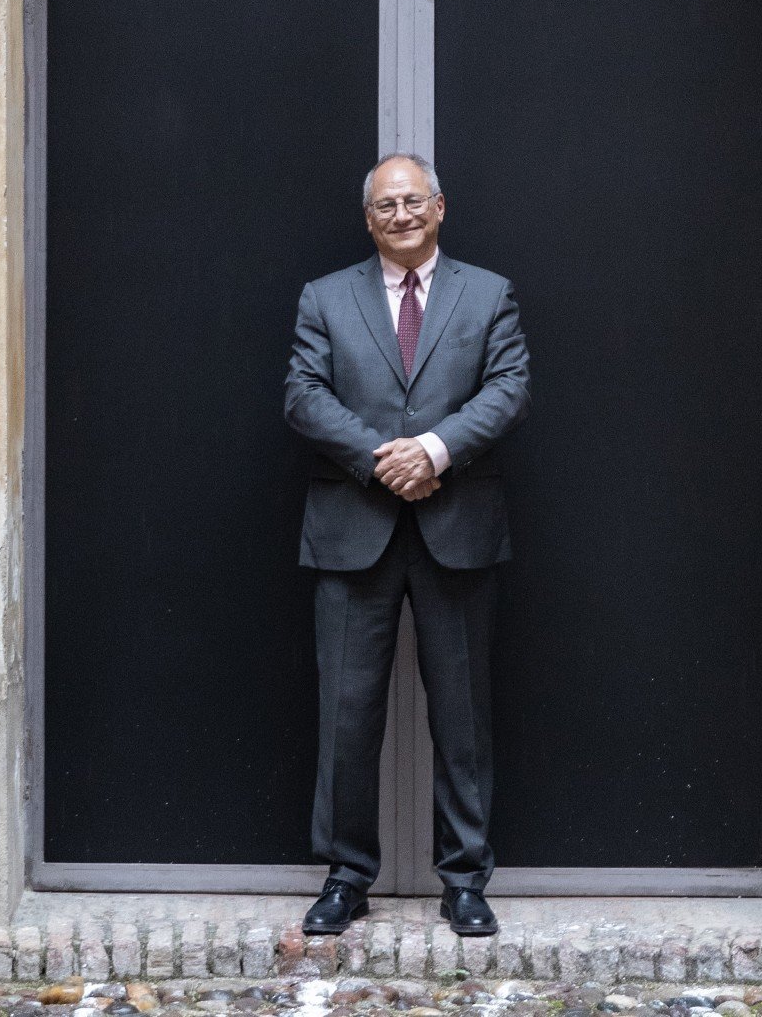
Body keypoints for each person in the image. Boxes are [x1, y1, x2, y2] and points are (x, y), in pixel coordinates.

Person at [283, 153, 531, 936]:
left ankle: (464, 879)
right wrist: (380, 458)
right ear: (368, 218)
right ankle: (346, 876)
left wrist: (433, 449)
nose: (401, 215)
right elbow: (302, 395)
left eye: (413, 201)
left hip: (457, 528)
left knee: (462, 715)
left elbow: (509, 389)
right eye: (385, 205)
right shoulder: (324, 297)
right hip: (353, 531)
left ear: (440, 208)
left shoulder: (489, 294)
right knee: (347, 715)